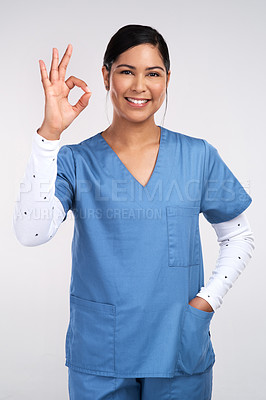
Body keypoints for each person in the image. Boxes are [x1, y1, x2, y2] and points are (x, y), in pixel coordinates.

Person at [13, 24, 255, 400]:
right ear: (107, 75)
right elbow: (31, 233)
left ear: (167, 80)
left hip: (178, 344)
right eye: (126, 71)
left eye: (153, 74)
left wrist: (207, 300)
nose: (139, 86)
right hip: (101, 351)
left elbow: (238, 235)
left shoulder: (198, 156)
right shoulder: (76, 161)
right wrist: (49, 135)